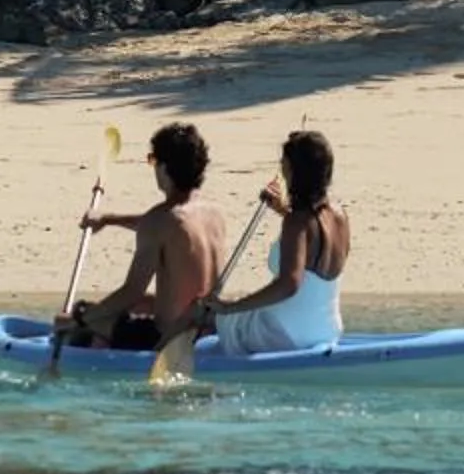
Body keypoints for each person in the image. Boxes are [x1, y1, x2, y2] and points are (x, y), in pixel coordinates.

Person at [57, 122, 229, 351]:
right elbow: (170, 228)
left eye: (153, 160)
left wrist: (80, 319)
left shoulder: (159, 221)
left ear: (165, 168)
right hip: (209, 330)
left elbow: (131, 291)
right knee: (141, 304)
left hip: (167, 339)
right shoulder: (215, 214)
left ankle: (95, 355)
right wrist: (108, 219)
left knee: (88, 315)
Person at [196, 129, 347, 355]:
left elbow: (289, 284)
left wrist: (229, 307)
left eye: (284, 164)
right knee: (234, 315)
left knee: (205, 317)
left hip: (283, 334)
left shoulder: (297, 222)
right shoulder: (339, 215)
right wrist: (281, 209)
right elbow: (312, 241)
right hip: (327, 330)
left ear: (297, 172)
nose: (282, 170)